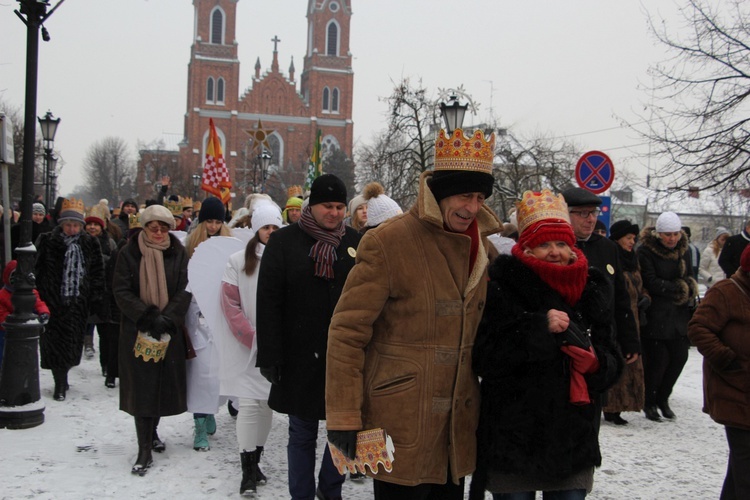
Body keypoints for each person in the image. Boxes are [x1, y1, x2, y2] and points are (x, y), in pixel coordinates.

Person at [326, 128, 501, 499]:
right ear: (440, 193)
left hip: (456, 428)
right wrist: (344, 415)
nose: (472, 207)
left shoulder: (483, 248)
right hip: (400, 422)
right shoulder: (388, 242)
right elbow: (347, 331)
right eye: (464, 195)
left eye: (480, 197)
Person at [469, 189, 623, 500]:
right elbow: (486, 358)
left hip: (572, 441)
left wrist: (596, 364)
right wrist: (537, 328)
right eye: (544, 244)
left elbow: (611, 359)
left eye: (562, 243)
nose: (555, 252)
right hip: (514, 436)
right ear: (526, 248)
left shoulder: (592, 290)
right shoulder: (503, 287)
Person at [256, 174, 361, 500]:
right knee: (301, 433)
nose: (334, 212)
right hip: (299, 356)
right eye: (327, 206)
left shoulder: (355, 242)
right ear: (311, 206)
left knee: (344, 433)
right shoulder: (284, 242)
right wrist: (270, 355)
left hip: (345, 359)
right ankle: (300, 495)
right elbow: (268, 301)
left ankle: (331, 491)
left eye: (340, 206)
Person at [112, 204, 191, 476]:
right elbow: (121, 290)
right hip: (138, 331)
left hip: (168, 330)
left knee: (161, 386)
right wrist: (147, 316)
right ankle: (143, 448)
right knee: (143, 388)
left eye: (163, 228)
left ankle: (154, 431)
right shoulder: (129, 253)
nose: (158, 233)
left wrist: (168, 318)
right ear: (144, 228)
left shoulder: (179, 253)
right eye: (152, 228)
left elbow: (186, 288)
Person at [219, 203, 282, 495]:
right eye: (266, 227)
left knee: (266, 404)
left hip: (275, 346)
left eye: (275, 227)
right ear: (256, 228)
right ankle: (246, 471)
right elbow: (229, 304)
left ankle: (256, 459)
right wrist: (251, 336)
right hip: (246, 347)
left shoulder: (284, 259)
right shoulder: (237, 261)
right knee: (247, 406)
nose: (270, 232)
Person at [561, 188, 640, 397]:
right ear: (565, 213)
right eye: (583, 213)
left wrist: (629, 339)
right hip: (566, 344)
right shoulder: (557, 246)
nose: (590, 219)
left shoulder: (607, 248)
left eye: (594, 213)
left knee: (593, 405)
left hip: (600, 345)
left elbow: (621, 298)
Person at [688, 244, 750, 500]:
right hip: (733, 390)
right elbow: (698, 328)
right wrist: (727, 360)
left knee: (740, 474)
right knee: (746, 470)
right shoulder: (726, 292)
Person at [35, 198, 105, 401]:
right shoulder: (48, 241)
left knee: (72, 343)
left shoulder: (89, 243)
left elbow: (96, 272)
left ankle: (63, 375)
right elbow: (37, 269)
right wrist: (38, 296)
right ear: (61, 225)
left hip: (77, 302)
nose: (72, 229)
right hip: (53, 301)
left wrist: (96, 297)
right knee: (54, 342)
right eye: (68, 225)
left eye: (75, 225)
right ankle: (59, 382)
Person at [637, 212, 699, 421]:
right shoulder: (646, 251)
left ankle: (664, 397)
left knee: (680, 357)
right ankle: (650, 401)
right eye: (667, 234)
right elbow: (651, 281)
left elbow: (689, 275)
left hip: (678, 316)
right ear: (658, 234)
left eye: (675, 234)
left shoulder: (684, 250)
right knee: (657, 361)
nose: (672, 238)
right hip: (656, 315)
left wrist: (689, 287)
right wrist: (679, 288)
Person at [184, 196, 232, 451]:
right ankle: (199, 423)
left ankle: (210, 409)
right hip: (196, 319)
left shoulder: (229, 248)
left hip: (220, 320)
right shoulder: (189, 246)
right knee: (199, 375)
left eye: (217, 221)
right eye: (209, 221)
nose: (213, 226)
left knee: (217, 376)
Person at [602, 220, 649, 425]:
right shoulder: (612, 256)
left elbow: (642, 283)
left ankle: (623, 404)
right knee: (617, 359)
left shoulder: (633, 259)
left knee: (631, 360)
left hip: (634, 316)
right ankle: (610, 406)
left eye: (634, 238)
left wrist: (646, 296)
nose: (632, 242)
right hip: (617, 315)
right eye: (628, 238)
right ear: (618, 238)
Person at [83, 207, 120, 386]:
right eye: (89, 224)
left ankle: (106, 365)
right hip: (85, 289)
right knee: (87, 324)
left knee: (105, 332)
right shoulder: (81, 242)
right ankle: (86, 345)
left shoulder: (110, 243)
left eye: (95, 225)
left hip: (104, 290)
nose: (92, 228)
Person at [0, 260, 49, 370]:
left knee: (25, 359)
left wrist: (43, 313)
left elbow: (39, 303)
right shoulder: (2, 295)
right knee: (4, 357)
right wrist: (14, 323)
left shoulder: (31, 292)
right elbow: (2, 314)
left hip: (24, 331)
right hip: (5, 333)